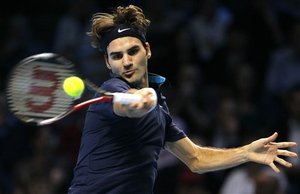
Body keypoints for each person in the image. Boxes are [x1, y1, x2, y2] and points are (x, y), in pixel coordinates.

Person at [67, 5, 298, 194]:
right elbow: (128, 104)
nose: (126, 61)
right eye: (116, 56)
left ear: (147, 50)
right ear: (107, 63)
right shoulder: (111, 90)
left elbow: (196, 159)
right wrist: (143, 98)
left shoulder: (160, 109)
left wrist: (246, 152)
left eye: (133, 51)